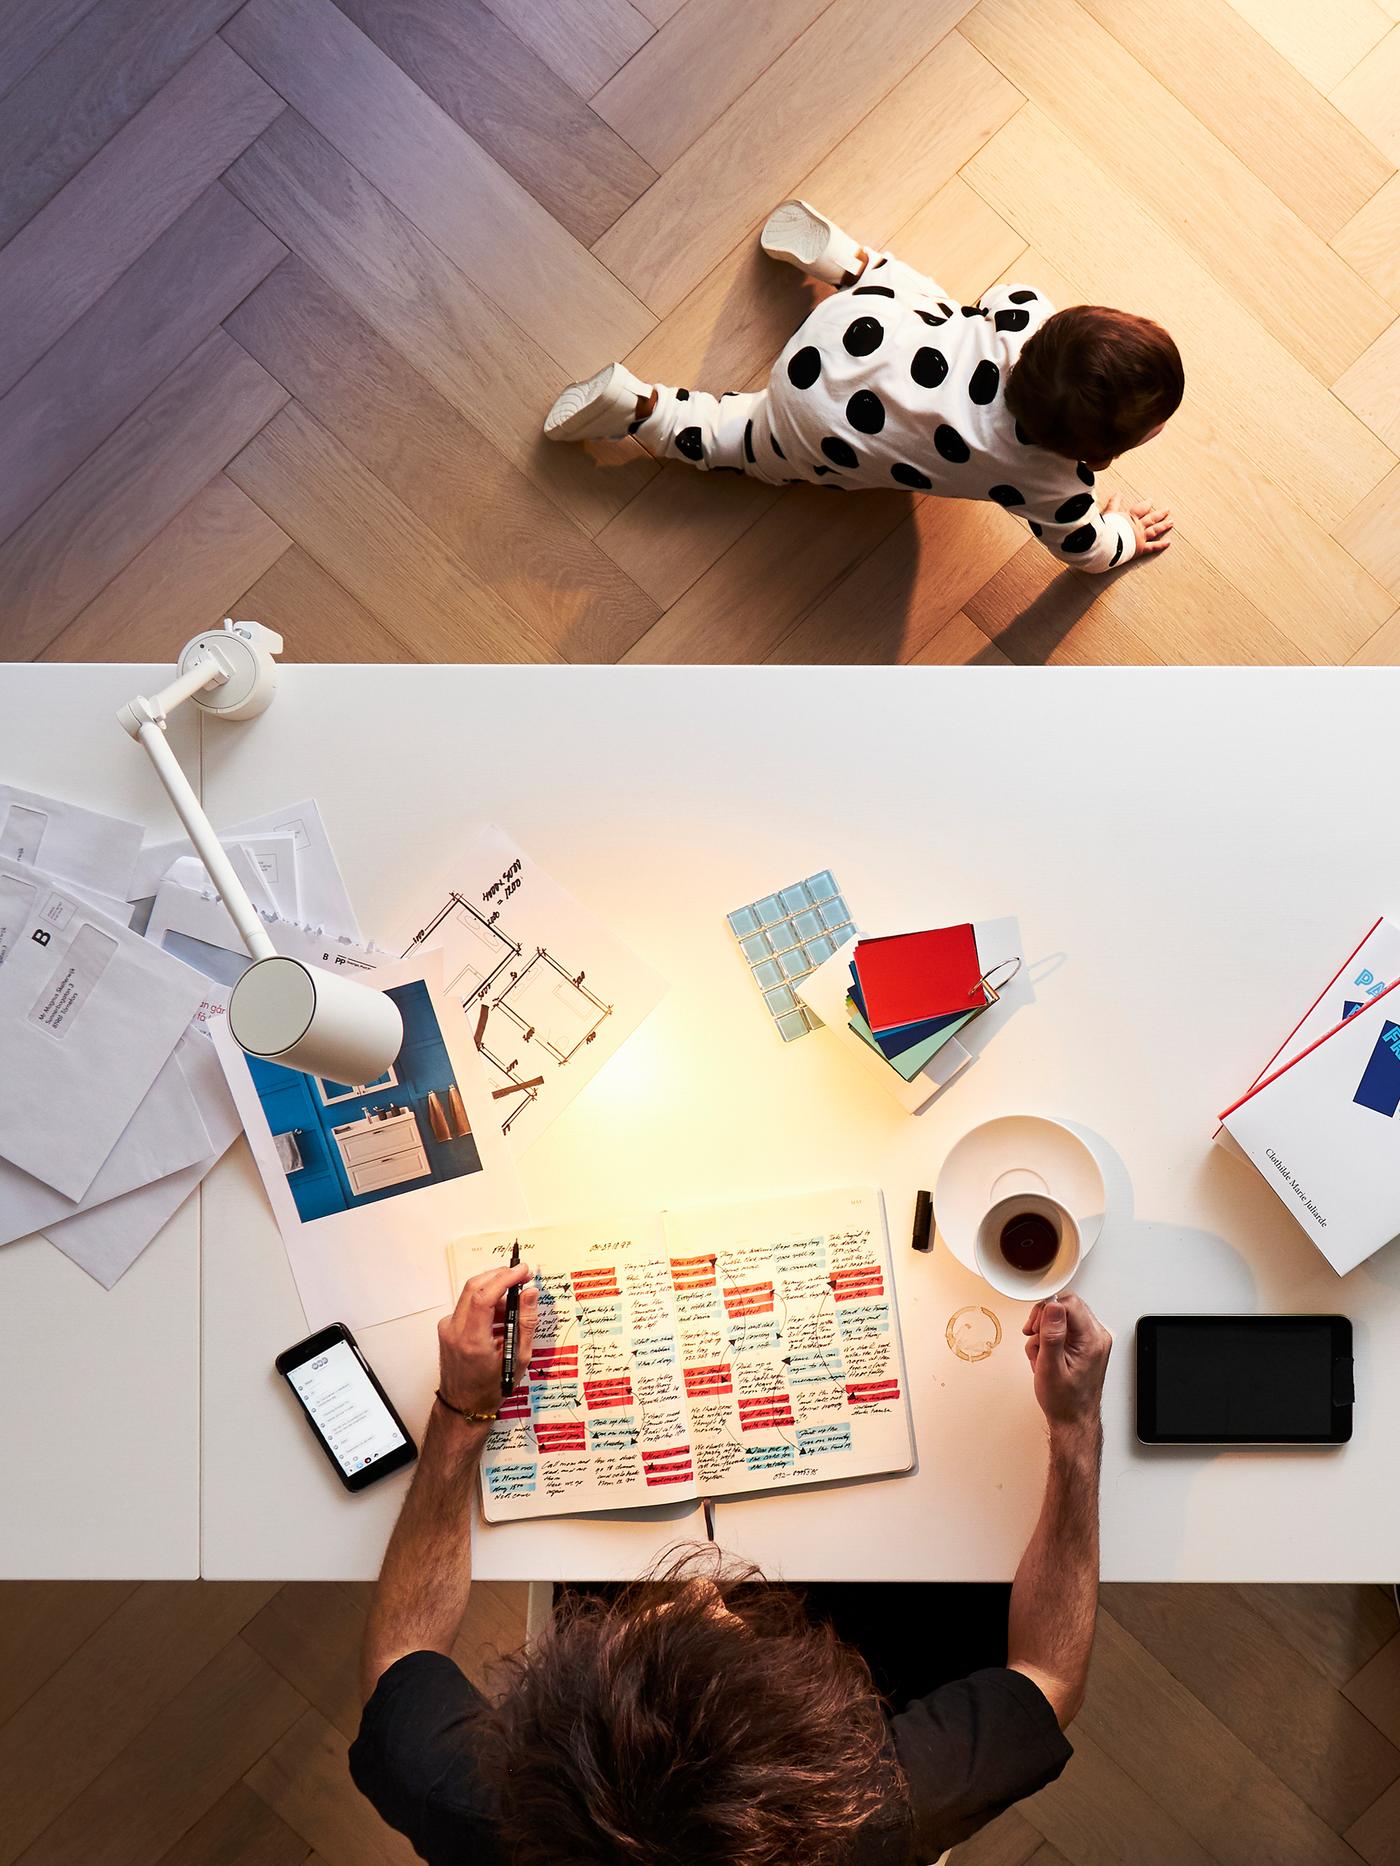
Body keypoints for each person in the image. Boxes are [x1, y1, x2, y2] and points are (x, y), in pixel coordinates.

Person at [350, 1255, 1113, 1864]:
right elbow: (1048, 1677)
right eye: (722, 1628)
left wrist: (461, 1412)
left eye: (640, 1634)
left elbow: (401, 1655)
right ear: (820, 1740)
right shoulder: (872, 1809)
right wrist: (1076, 1434)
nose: (700, 1591)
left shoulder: (473, 1806)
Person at [544, 199, 1180, 574]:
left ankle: (846, 262)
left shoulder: (1027, 317)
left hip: (854, 325)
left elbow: (1000, 297)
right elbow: (1085, 551)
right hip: (813, 419)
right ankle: (640, 409)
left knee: (927, 301)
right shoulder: (1054, 485)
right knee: (736, 438)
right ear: (1095, 457)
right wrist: (1122, 533)